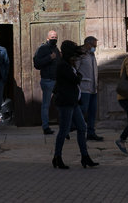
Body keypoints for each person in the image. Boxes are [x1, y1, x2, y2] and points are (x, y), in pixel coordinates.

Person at [51, 40, 99, 169]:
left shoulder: (69, 64)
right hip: (66, 102)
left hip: (74, 102)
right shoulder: (63, 66)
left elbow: (76, 77)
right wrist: (78, 76)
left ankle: (85, 156)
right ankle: (57, 157)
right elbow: (75, 79)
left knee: (82, 127)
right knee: (64, 130)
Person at [33, 30, 61, 134]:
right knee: (46, 104)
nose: (54, 39)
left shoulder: (56, 49)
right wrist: (49, 58)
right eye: (52, 37)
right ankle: (45, 127)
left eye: (55, 37)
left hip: (57, 81)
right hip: (47, 80)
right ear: (47, 38)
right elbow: (37, 64)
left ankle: (63, 124)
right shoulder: (42, 48)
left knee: (61, 103)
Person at [76, 36, 103, 140]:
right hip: (84, 88)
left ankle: (91, 132)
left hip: (93, 88)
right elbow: (76, 70)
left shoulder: (92, 55)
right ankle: (78, 130)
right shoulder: (80, 55)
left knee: (92, 112)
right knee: (83, 111)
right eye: (93, 46)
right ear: (87, 44)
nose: (94, 48)